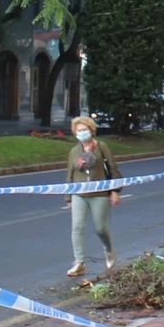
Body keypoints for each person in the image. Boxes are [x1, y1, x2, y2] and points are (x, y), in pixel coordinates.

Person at [65, 115, 121, 277]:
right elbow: (70, 173)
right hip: (79, 194)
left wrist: (115, 191)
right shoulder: (74, 151)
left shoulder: (101, 147)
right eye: (79, 130)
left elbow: (113, 169)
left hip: (99, 193)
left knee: (100, 228)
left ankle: (109, 249)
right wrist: (68, 197)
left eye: (84, 130)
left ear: (91, 130)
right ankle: (79, 262)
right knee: (77, 227)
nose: (82, 133)